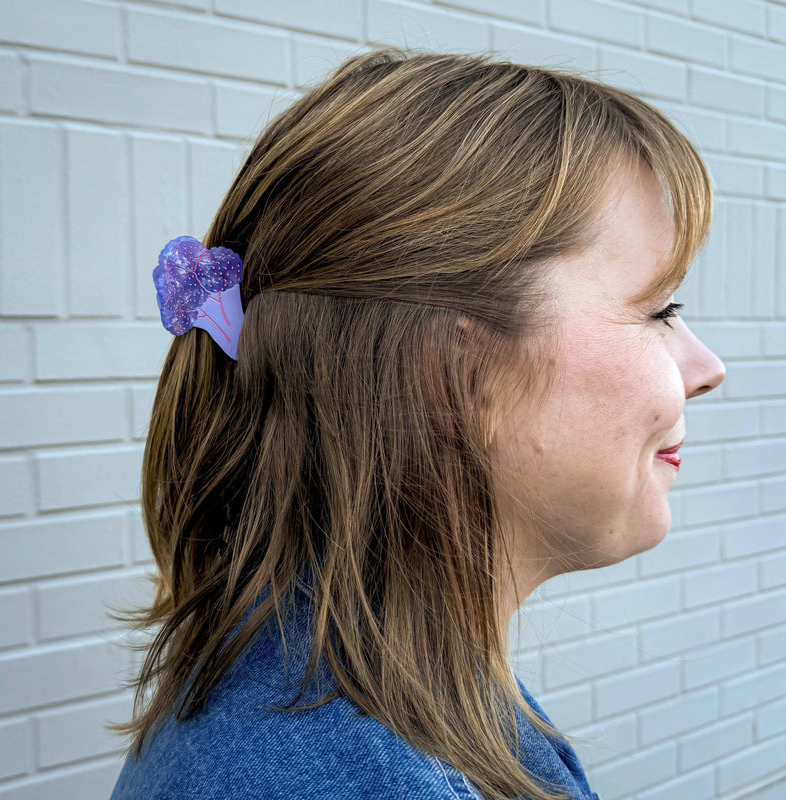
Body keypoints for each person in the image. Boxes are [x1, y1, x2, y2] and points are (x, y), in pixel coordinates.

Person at [106, 47, 725, 800]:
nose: (706, 367)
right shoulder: (338, 773)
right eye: (660, 310)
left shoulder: (385, 687)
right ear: (457, 375)